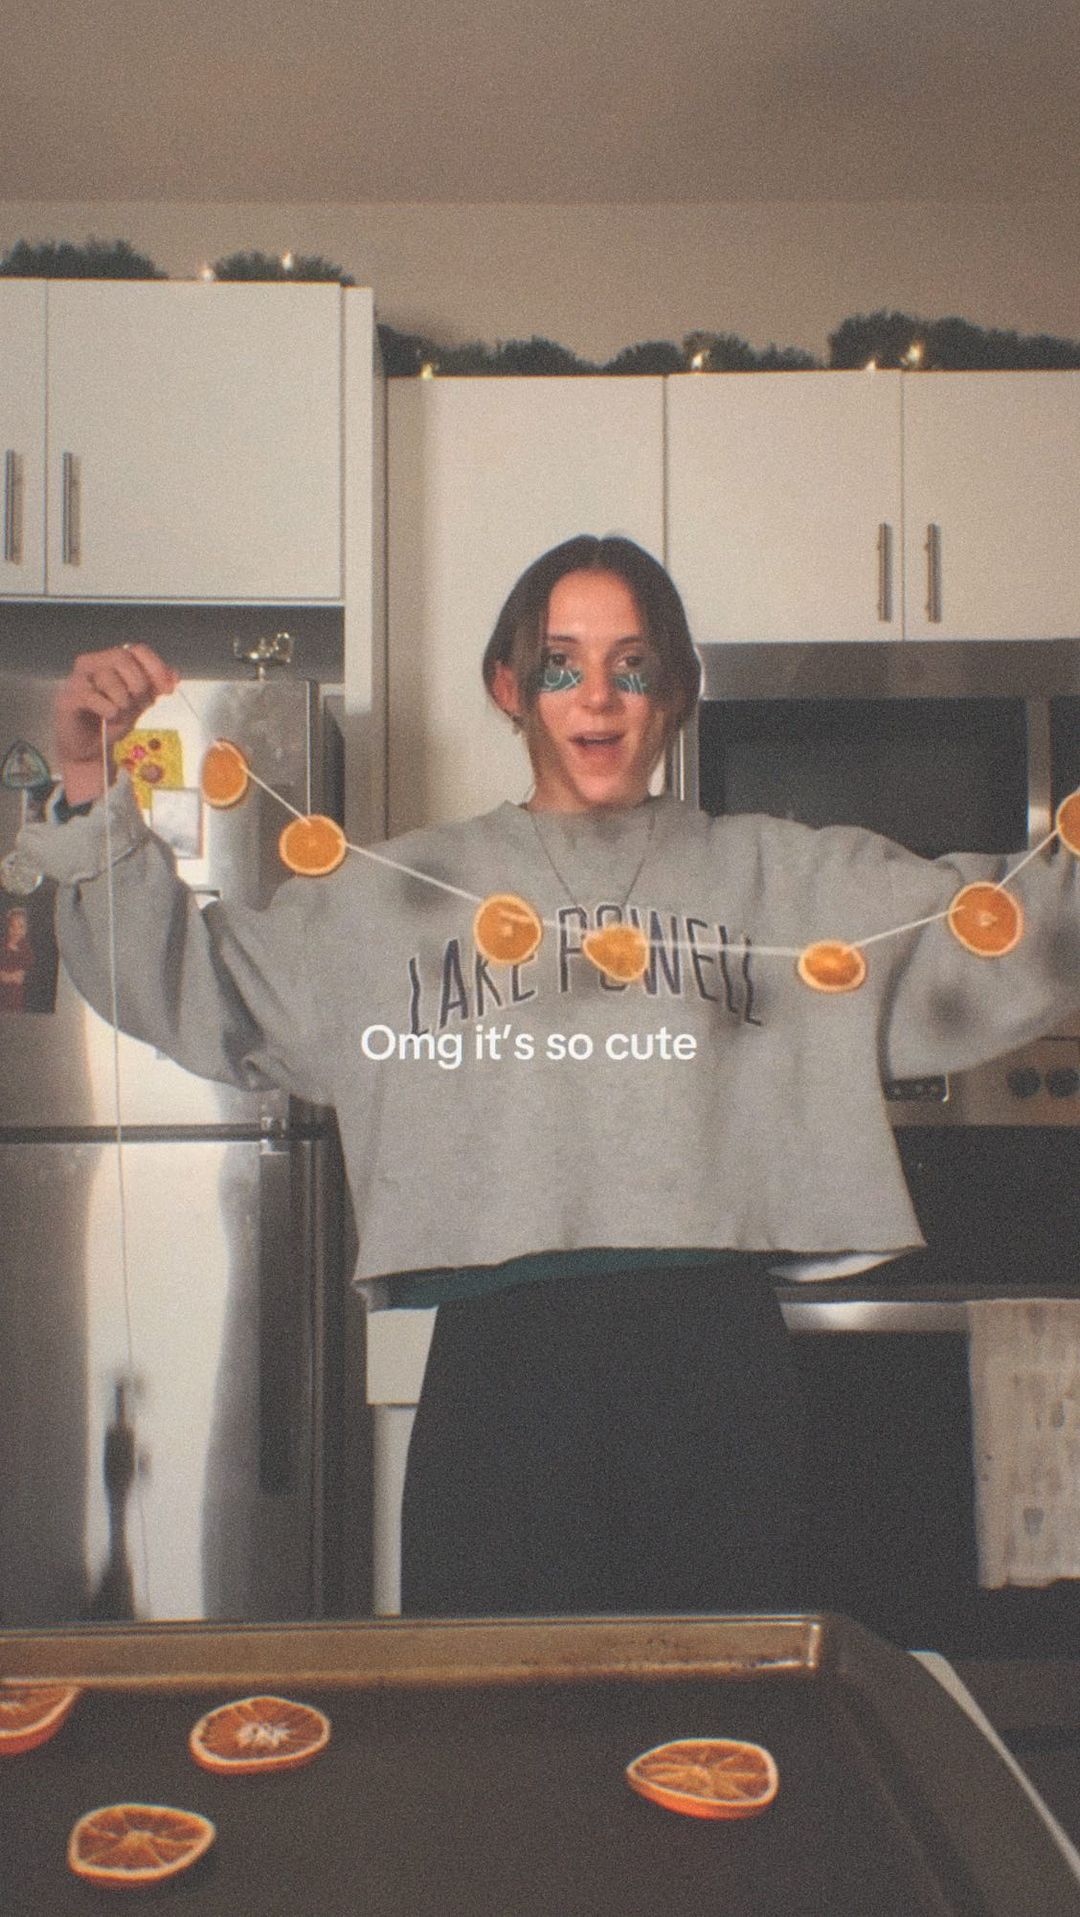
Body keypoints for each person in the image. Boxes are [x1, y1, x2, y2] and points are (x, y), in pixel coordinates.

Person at [25, 534, 1080, 1618]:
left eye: (634, 665)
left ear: (677, 690)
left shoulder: (790, 876)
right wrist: (91, 786)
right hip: (500, 1374)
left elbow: (1009, 932)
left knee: (726, 1702)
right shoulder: (400, 892)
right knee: (499, 1709)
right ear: (509, 688)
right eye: (561, 665)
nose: (599, 698)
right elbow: (194, 985)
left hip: (719, 1373)